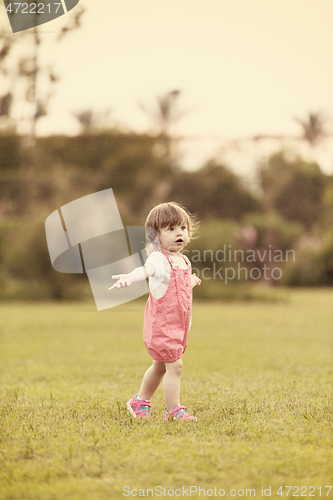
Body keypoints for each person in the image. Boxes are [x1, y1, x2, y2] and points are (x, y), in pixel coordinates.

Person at [108, 202, 201, 421]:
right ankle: (174, 410)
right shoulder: (158, 259)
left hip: (178, 326)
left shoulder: (183, 260)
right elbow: (146, 271)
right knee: (175, 366)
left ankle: (140, 400)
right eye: (170, 229)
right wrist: (130, 277)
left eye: (182, 228)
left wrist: (191, 280)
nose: (179, 233)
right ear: (155, 235)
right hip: (162, 326)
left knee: (160, 367)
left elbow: (178, 283)